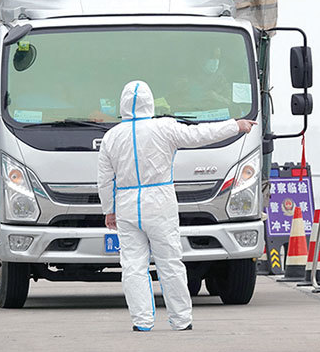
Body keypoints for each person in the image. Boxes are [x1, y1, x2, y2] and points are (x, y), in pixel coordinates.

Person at [97, 80, 257, 331]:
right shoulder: (164, 128)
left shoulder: (111, 137)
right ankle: (181, 320)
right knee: (169, 262)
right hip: (160, 201)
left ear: (123, 105)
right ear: (149, 103)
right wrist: (235, 126)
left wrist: (109, 209)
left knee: (133, 266)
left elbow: (104, 178)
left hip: (127, 203)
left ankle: (142, 322)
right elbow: (200, 134)